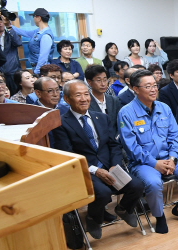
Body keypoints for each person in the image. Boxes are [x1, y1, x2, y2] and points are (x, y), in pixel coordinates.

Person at [52, 80, 144, 239]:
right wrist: (95, 170)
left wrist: (114, 166)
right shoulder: (61, 124)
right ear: (66, 99)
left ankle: (123, 209)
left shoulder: (101, 117)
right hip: (85, 171)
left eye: (86, 94)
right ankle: (93, 218)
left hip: (109, 167)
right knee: (102, 192)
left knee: (137, 185)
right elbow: (68, 154)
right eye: (78, 95)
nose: (84, 99)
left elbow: (114, 145)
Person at [117, 69, 178, 234]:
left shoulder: (164, 108)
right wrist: (155, 163)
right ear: (135, 89)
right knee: (154, 183)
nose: (154, 89)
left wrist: (172, 158)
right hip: (143, 163)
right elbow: (132, 148)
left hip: (169, 158)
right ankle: (159, 217)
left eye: (155, 85)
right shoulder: (126, 112)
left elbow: (174, 137)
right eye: (148, 86)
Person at [10, 8, 53, 75]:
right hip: (36, 67)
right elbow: (24, 33)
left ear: (39, 18)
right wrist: (8, 26)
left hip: (42, 70)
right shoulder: (37, 31)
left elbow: (43, 57)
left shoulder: (46, 35)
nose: (33, 19)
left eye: (34, 17)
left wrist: (37, 72)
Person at [85, 64, 122, 135]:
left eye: (105, 80)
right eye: (98, 80)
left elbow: (120, 123)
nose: (103, 84)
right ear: (89, 82)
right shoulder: (86, 102)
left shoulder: (114, 100)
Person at [0, 10, 23, 94]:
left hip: (12, 72)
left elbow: (18, 43)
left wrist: (8, 26)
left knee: (15, 95)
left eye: (1, 21)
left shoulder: (10, 34)